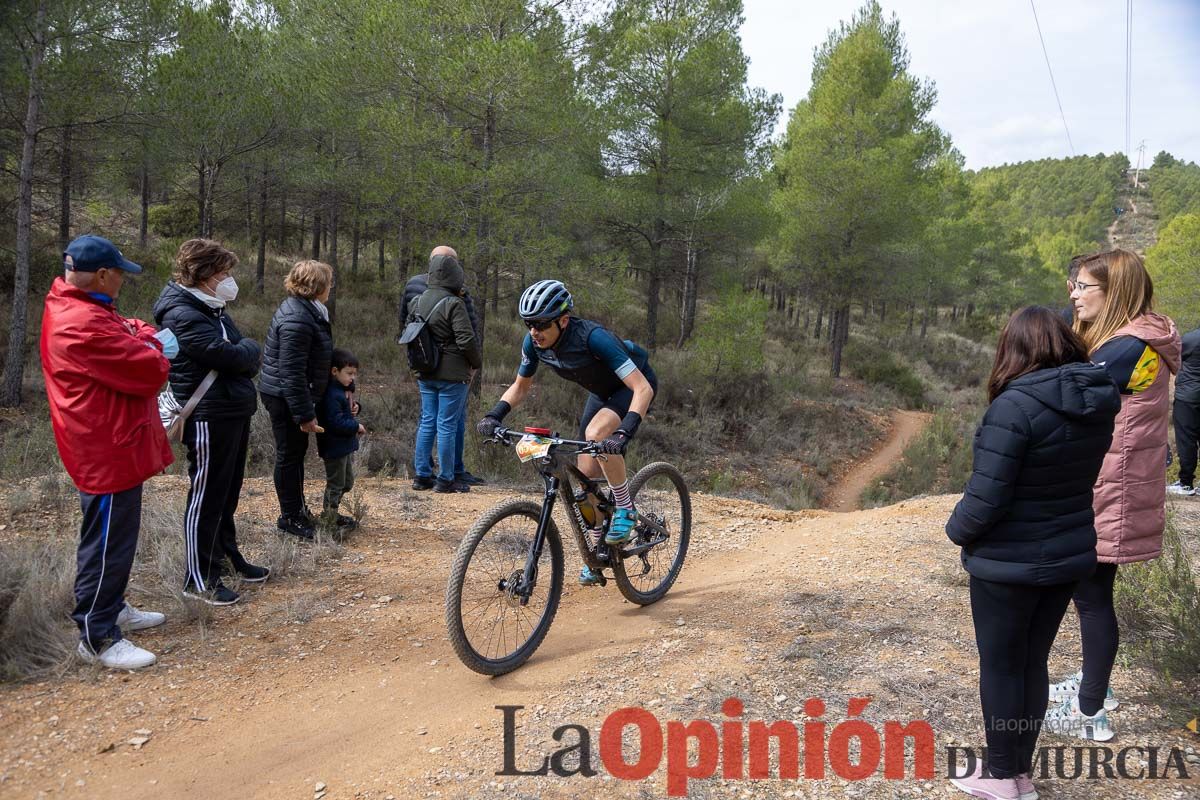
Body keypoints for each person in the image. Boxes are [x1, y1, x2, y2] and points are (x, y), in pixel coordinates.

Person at [945, 307, 1120, 800]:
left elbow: (985, 500)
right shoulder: (1097, 401)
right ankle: (1018, 773)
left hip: (1008, 562)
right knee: (1033, 664)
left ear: (1014, 350)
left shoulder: (1014, 407)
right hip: (1068, 555)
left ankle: (1001, 778)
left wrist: (956, 530)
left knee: (1002, 667)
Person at [1047, 249, 1181, 738]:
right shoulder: (1134, 338)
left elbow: (1065, 394)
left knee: (1093, 594)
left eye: (1084, 286)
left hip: (1111, 482)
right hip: (1113, 477)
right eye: (1073, 283)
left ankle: (1089, 714)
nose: (1073, 293)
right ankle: (1094, 688)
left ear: (1115, 292)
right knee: (1093, 593)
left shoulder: (1126, 348)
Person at [40, 235, 173, 670]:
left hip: (107, 439)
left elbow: (134, 331)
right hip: (105, 446)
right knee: (107, 542)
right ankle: (97, 635)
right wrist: (151, 344)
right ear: (101, 275)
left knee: (114, 536)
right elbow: (150, 367)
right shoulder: (82, 322)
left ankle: (111, 607)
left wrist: (143, 337)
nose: (122, 281)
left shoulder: (80, 307)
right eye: (119, 273)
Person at [477, 279, 657, 586]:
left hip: (631, 387)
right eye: (529, 324)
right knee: (584, 479)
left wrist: (624, 432)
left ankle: (625, 508)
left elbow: (642, 388)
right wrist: (495, 414)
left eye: (542, 324)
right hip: (601, 393)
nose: (534, 331)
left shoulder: (594, 338)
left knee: (597, 433)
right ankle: (599, 554)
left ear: (563, 320)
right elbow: (521, 387)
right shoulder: (534, 343)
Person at [153, 239, 268, 607]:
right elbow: (231, 354)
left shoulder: (210, 307)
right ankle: (198, 577)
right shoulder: (181, 312)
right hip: (207, 415)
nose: (229, 279)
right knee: (206, 495)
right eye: (223, 273)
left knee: (227, 492)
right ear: (203, 275)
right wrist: (246, 353)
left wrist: (244, 353)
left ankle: (227, 557)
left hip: (230, 409)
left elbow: (241, 353)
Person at [259, 260, 335, 539]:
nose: (330, 287)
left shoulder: (308, 311)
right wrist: (304, 414)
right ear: (317, 286)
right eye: (328, 282)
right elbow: (291, 371)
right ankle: (290, 517)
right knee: (289, 456)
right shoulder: (297, 318)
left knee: (295, 454)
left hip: (290, 393)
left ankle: (298, 511)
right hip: (284, 396)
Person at [402, 261, 485, 488]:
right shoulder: (454, 304)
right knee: (447, 424)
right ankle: (446, 479)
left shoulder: (416, 301)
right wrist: (476, 363)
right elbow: (466, 340)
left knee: (428, 421)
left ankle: (421, 476)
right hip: (453, 374)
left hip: (426, 371)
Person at [317, 348, 366, 528]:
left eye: (354, 374)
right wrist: (356, 426)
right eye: (349, 373)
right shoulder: (331, 394)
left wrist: (356, 407)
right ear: (335, 371)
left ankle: (332, 513)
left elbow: (345, 411)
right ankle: (329, 518)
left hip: (343, 446)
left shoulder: (343, 391)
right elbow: (335, 422)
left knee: (347, 482)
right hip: (333, 447)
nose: (352, 378)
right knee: (336, 483)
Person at [1168, 326, 1200, 496]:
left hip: (1188, 396)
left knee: (1186, 440)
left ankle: (1185, 483)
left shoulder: (1192, 338)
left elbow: (1176, 355)